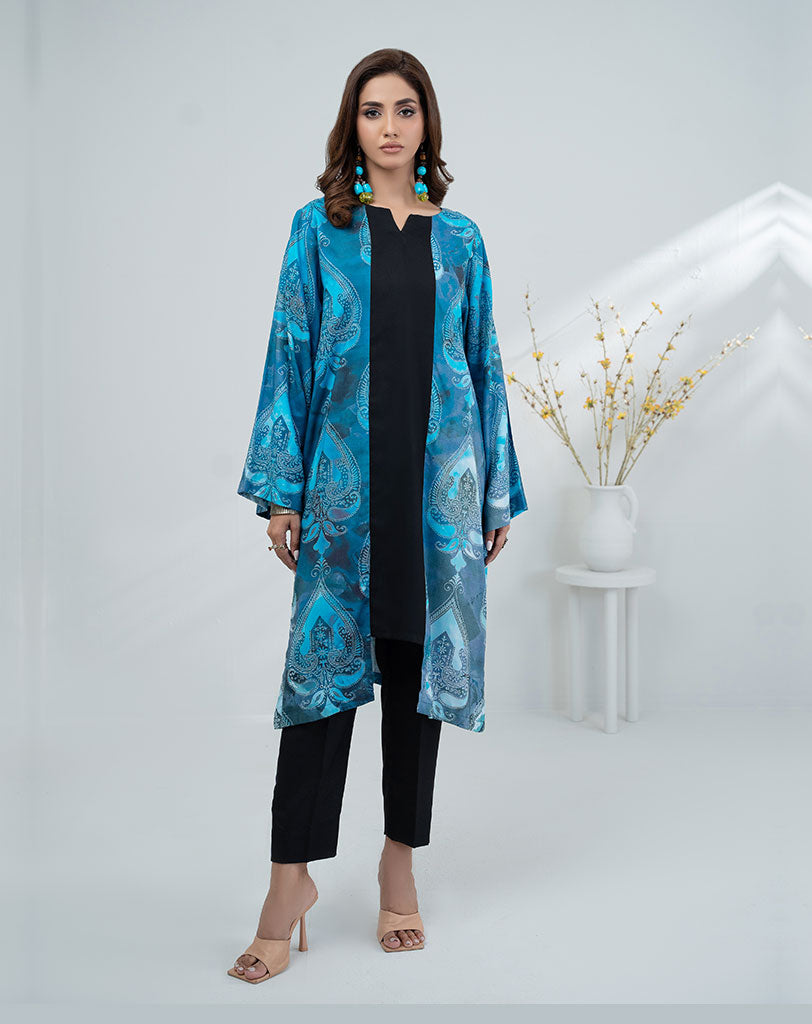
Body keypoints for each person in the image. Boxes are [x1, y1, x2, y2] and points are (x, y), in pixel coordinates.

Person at [229, 48, 528, 984]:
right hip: (342, 494)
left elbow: (484, 363)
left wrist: (493, 491)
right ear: (350, 125)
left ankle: (400, 868)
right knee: (318, 687)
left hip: (438, 497)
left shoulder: (462, 239)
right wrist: (282, 488)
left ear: (426, 122)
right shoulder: (317, 229)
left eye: (405, 109)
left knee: (416, 679)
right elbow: (289, 351)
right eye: (372, 110)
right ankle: (289, 885)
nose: (390, 126)